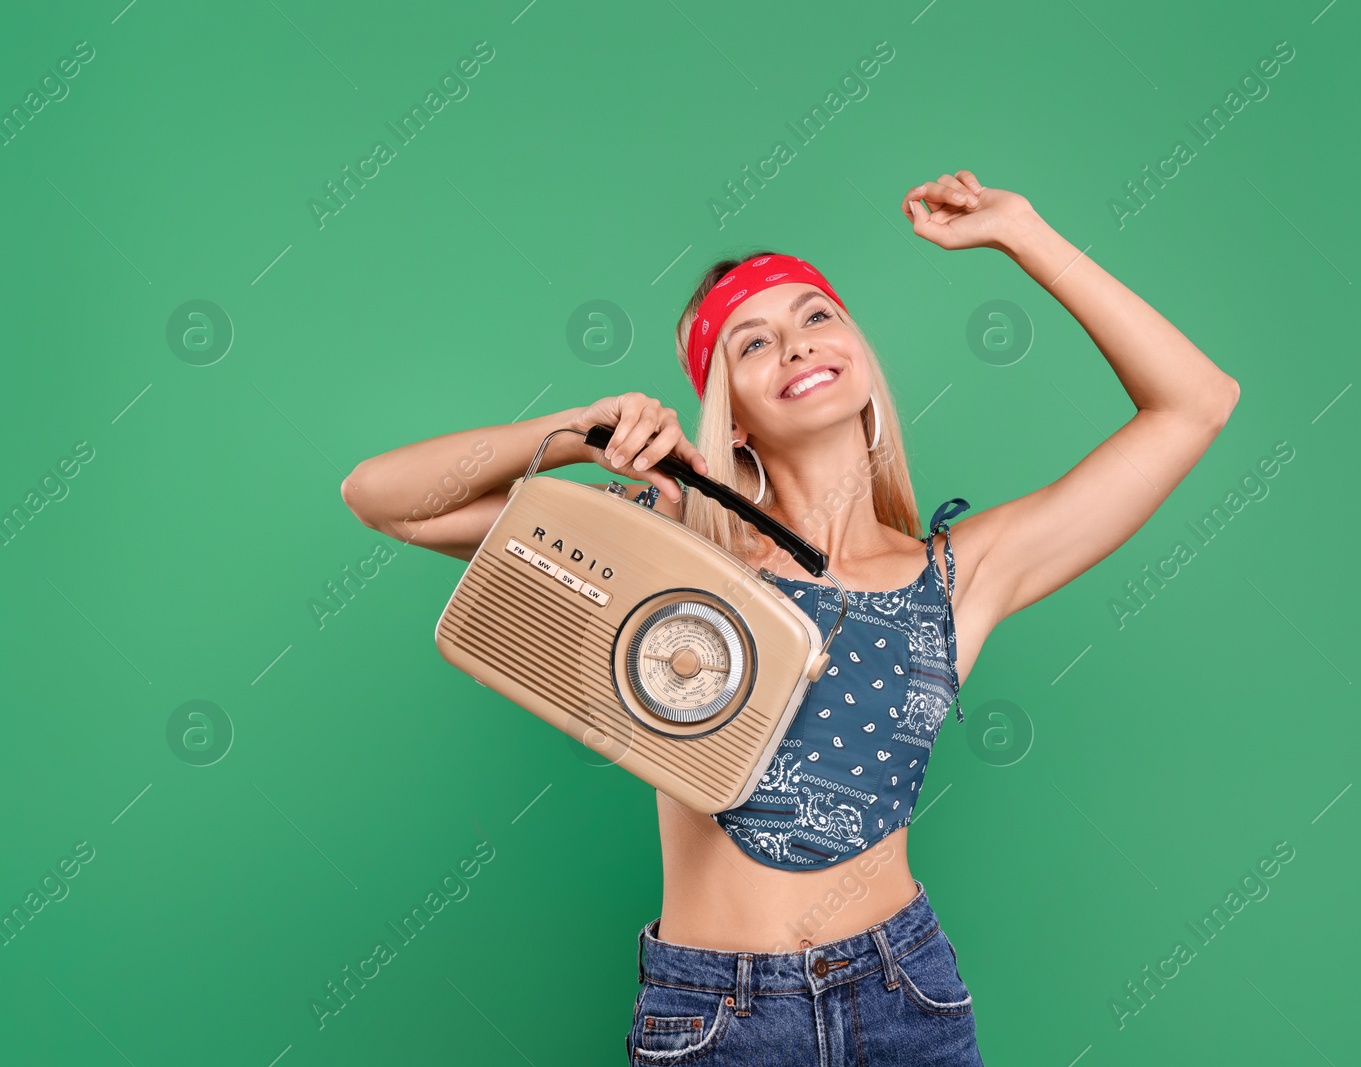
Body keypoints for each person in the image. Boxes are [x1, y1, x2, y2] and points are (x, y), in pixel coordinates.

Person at [340, 168, 1239, 1065]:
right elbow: (384, 499)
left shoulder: (959, 575)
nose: (798, 345)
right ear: (729, 418)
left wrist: (1026, 232)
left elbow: (1197, 402)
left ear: (858, 353)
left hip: (907, 999)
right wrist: (577, 432)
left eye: (817, 316)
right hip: (716, 1015)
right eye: (753, 342)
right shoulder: (670, 550)